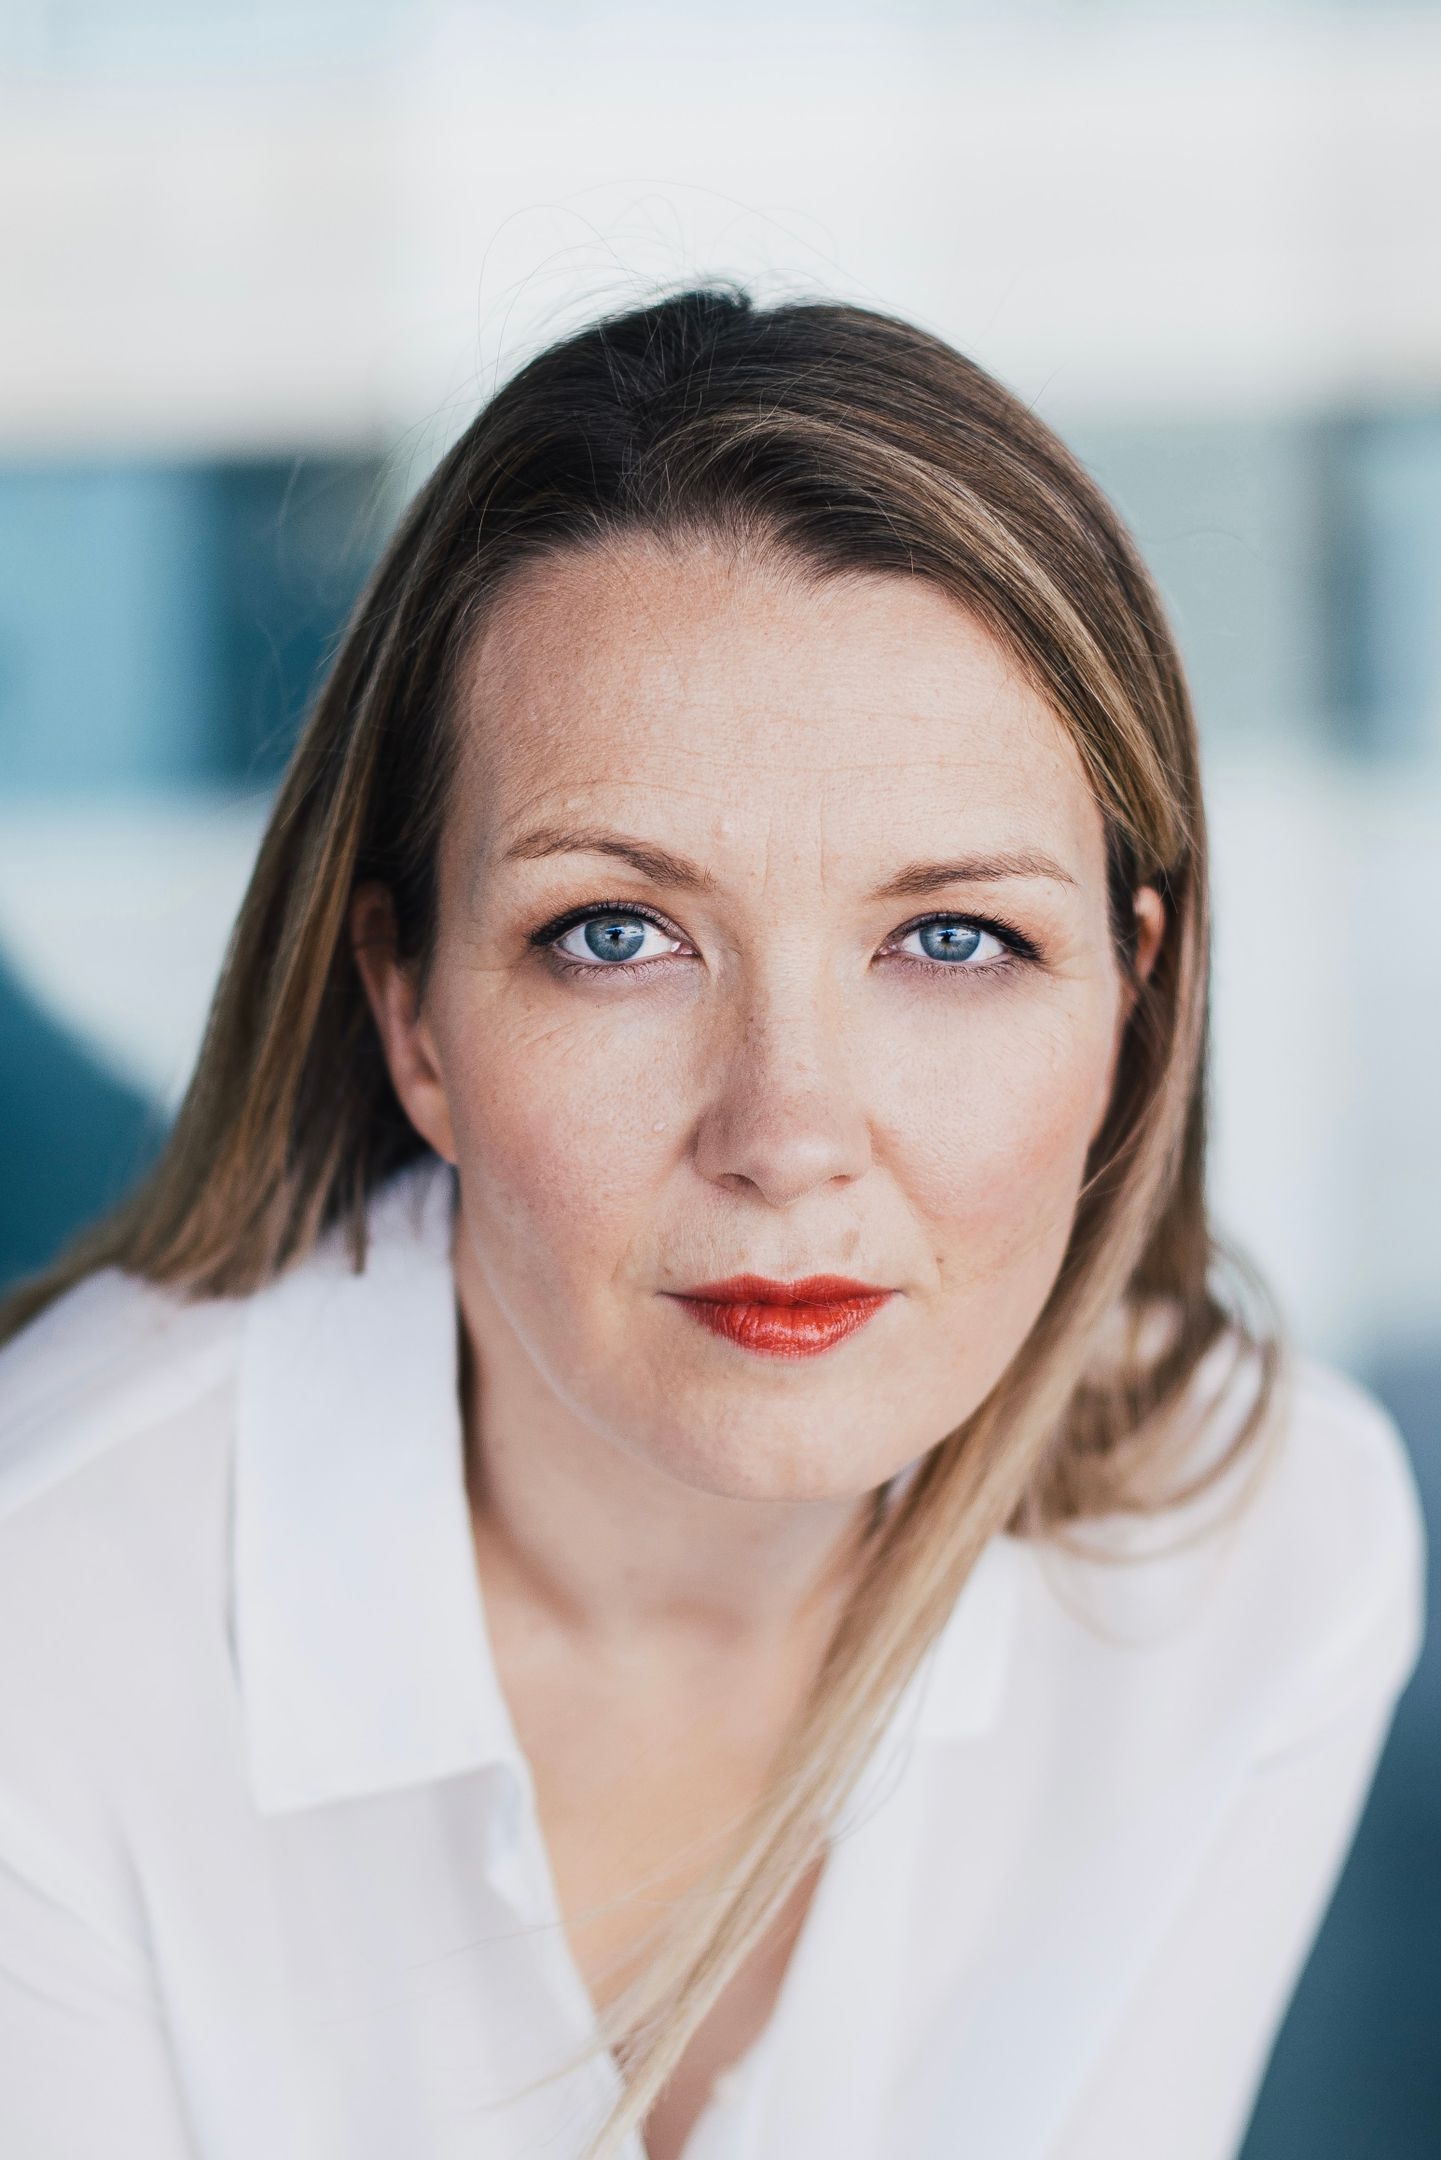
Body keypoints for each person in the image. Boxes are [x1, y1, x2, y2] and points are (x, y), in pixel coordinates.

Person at [0, 286, 1425, 2160]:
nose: (786, 1137)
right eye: (616, 936)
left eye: (953, 938)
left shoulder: (1255, 1546)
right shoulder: (48, 1630)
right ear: (411, 1014)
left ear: (1131, 1006)